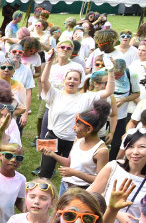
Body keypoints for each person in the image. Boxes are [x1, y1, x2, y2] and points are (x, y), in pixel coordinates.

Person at [38, 48, 115, 179]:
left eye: (75, 79)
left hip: (74, 140)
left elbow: (108, 91)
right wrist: (49, 61)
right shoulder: (54, 94)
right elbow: (43, 81)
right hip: (51, 136)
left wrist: (111, 70)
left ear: (80, 82)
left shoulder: (86, 97)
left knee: (71, 174)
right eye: (69, 78)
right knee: (45, 172)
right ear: (64, 81)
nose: (72, 81)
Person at [89, 129, 146, 223]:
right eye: (130, 147)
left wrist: (144, 221)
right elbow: (90, 196)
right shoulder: (113, 167)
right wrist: (114, 212)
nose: (135, 152)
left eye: (142, 147)